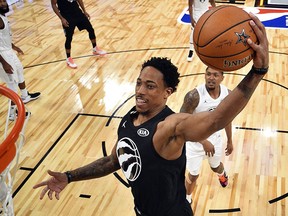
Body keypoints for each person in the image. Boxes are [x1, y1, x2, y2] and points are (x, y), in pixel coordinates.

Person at [33, 13, 269, 216]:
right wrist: (69, 176)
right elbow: (113, 161)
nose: (140, 91)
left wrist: (257, 72)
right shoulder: (128, 119)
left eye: (150, 86)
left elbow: (215, 119)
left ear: (167, 92)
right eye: (139, 83)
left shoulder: (170, 125)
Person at [180, 67, 233, 204]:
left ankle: (222, 174)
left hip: (215, 140)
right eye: (208, 74)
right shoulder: (194, 96)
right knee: (193, 175)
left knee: (216, 167)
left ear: (222, 77)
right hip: (194, 143)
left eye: (216, 75)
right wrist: (203, 142)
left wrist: (230, 140)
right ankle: (187, 198)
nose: (211, 78)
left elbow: (227, 119)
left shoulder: (227, 95)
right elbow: (182, 123)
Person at [0, 0, 41, 121]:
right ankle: (12, 114)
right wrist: (4, 63)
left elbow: (3, 37)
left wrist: (13, 46)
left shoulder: (2, 16)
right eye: (0, 2)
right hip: (2, 56)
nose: (4, 4)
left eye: (4, 1)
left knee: (19, 71)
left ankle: (25, 96)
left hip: (7, 51)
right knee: (12, 83)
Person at [51, 0, 107, 69]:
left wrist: (84, 11)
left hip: (78, 13)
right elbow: (53, 5)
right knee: (69, 37)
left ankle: (95, 48)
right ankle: (68, 59)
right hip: (67, 16)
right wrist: (62, 19)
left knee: (90, 29)